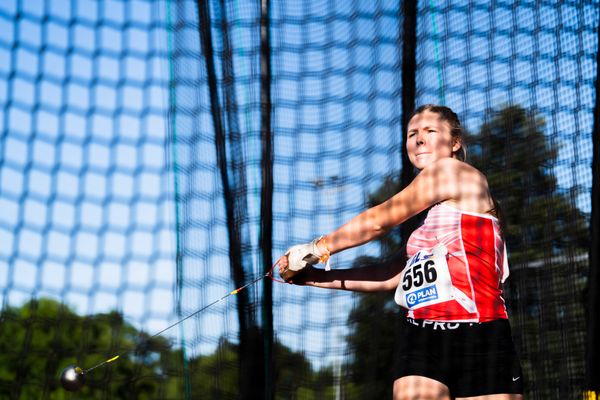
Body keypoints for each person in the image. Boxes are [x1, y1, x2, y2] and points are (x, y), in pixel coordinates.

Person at [278, 104, 524, 400]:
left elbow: (378, 222)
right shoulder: (428, 218)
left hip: (480, 334)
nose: (418, 139)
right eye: (412, 134)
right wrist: (311, 278)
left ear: (455, 142)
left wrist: (315, 249)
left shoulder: (454, 172)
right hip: (421, 333)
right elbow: (389, 276)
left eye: (430, 131)